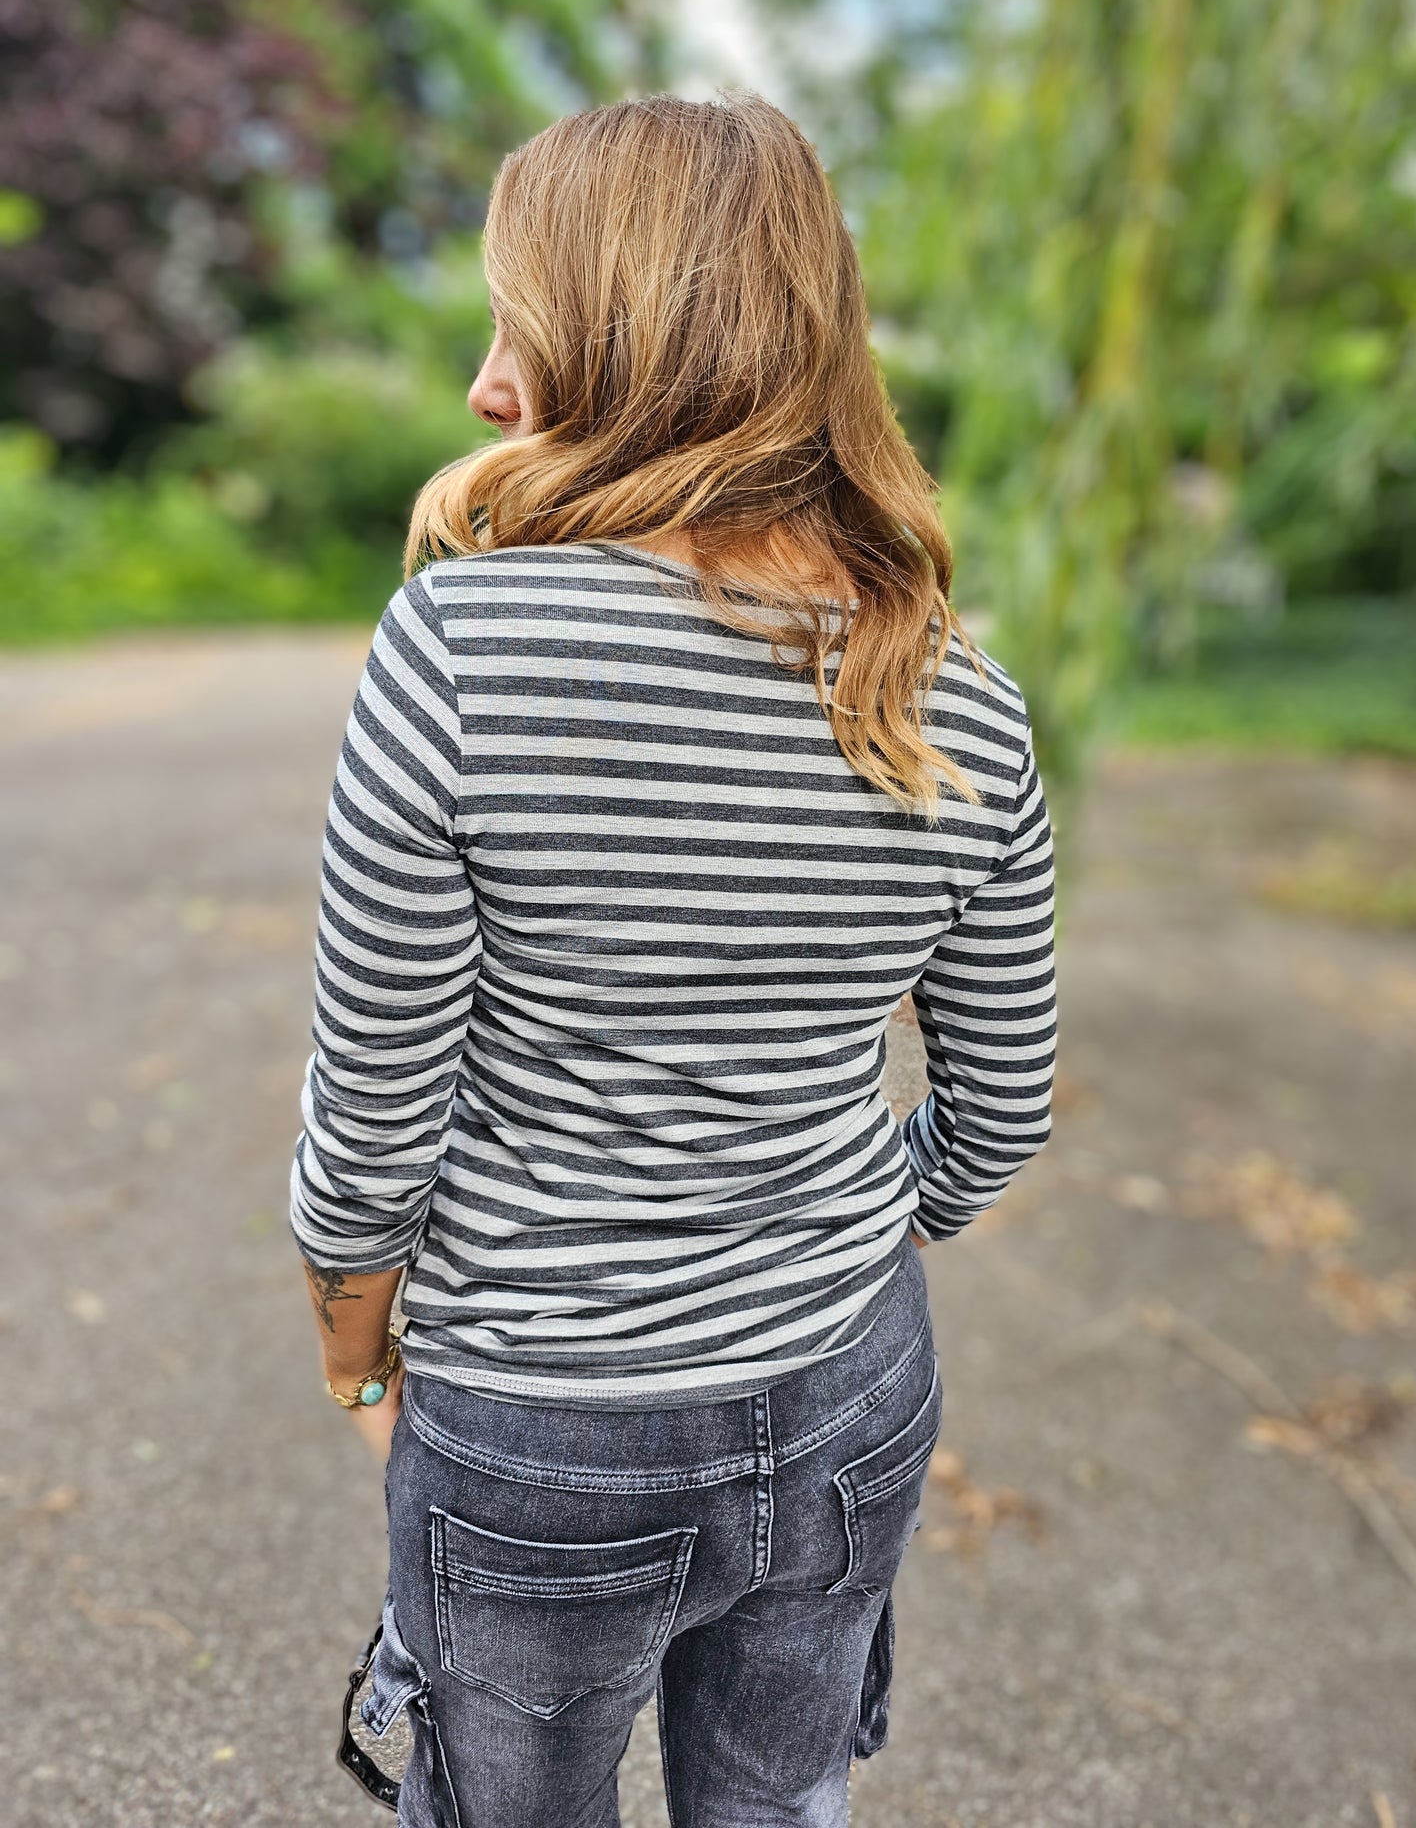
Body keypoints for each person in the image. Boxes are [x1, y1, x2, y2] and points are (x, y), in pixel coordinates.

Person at [290, 91, 1056, 1828]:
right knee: (780, 1806)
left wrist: (353, 1354)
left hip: (544, 1427)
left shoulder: (462, 650)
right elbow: (999, 1116)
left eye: (522, 326)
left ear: (640, 339)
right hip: (852, 1381)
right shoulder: (970, 703)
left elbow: (371, 1138)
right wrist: (842, 1231)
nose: (488, 387)